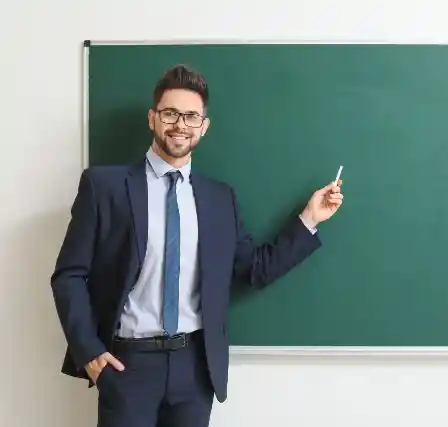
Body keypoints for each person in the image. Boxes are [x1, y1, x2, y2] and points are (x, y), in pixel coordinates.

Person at [50, 64, 344, 427]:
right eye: (171, 113)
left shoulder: (219, 199)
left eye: (191, 117)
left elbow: (254, 269)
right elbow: (69, 275)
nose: (180, 125)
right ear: (153, 118)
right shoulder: (104, 187)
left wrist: (310, 218)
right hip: (127, 365)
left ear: (203, 127)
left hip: (194, 368)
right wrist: (90, 353)